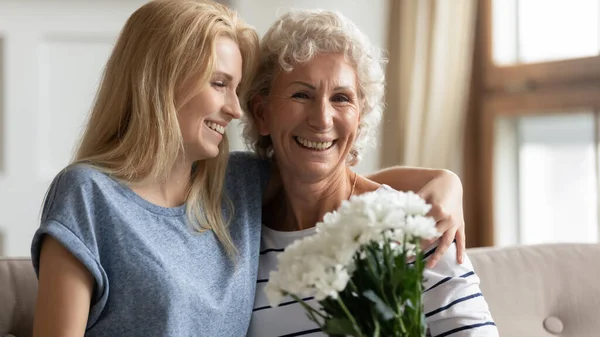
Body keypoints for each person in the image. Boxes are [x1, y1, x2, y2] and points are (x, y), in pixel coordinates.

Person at [31, 1, 466, 336]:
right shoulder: (87, 194)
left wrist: (445, 182)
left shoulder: (230, 185)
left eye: (237, 89)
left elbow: (329, 177)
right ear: (161, 82)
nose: (235, 109)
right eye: (220, 84)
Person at [242, 9, 499, 337]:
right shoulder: (242, 238)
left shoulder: (415, 227)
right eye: (301, 94)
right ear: (262, 114)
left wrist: (449, 179)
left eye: (341, 98)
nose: (322, 119)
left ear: (360, 117)